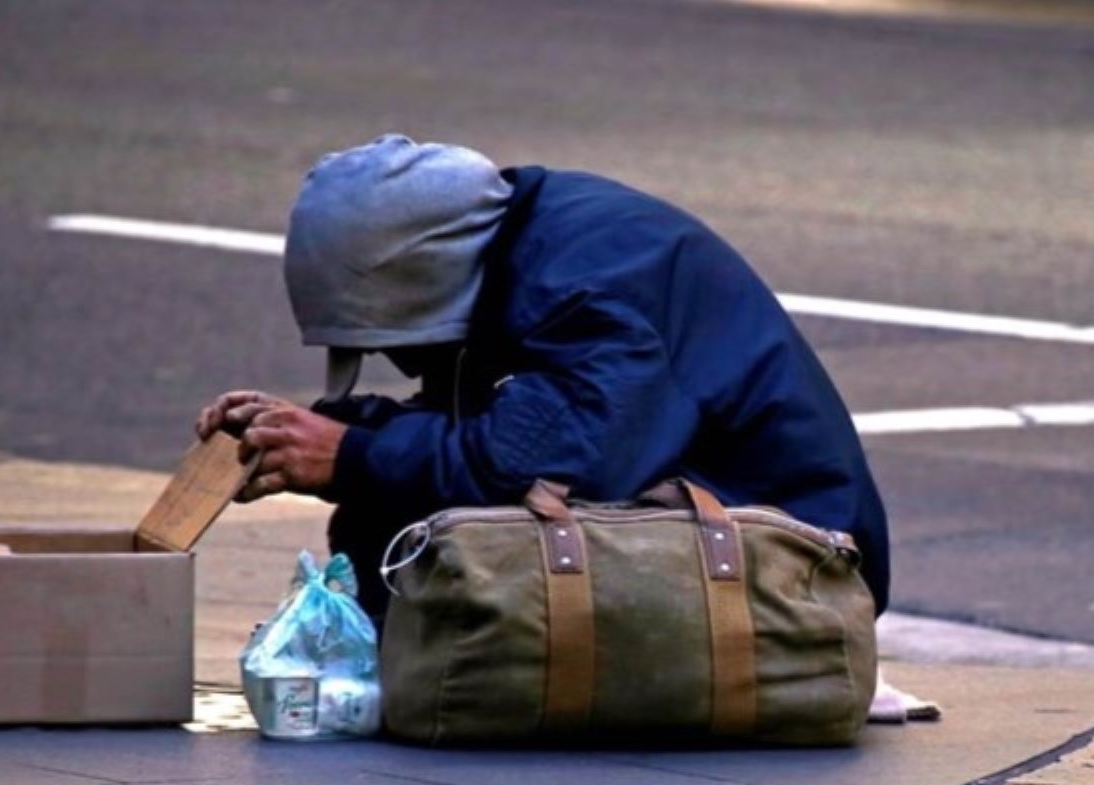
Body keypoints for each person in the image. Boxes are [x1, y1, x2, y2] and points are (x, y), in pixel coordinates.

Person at [196, 134, 890, 622]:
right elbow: (495, 431)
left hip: (796, 565)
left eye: (400, 345)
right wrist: (323, 431)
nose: (402, 364)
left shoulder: (585, 283)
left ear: (429, 284)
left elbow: (551, 470)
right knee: (390, 498)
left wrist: (346, 453)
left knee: (410, 501)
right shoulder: (507, 244)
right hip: (710, 510)